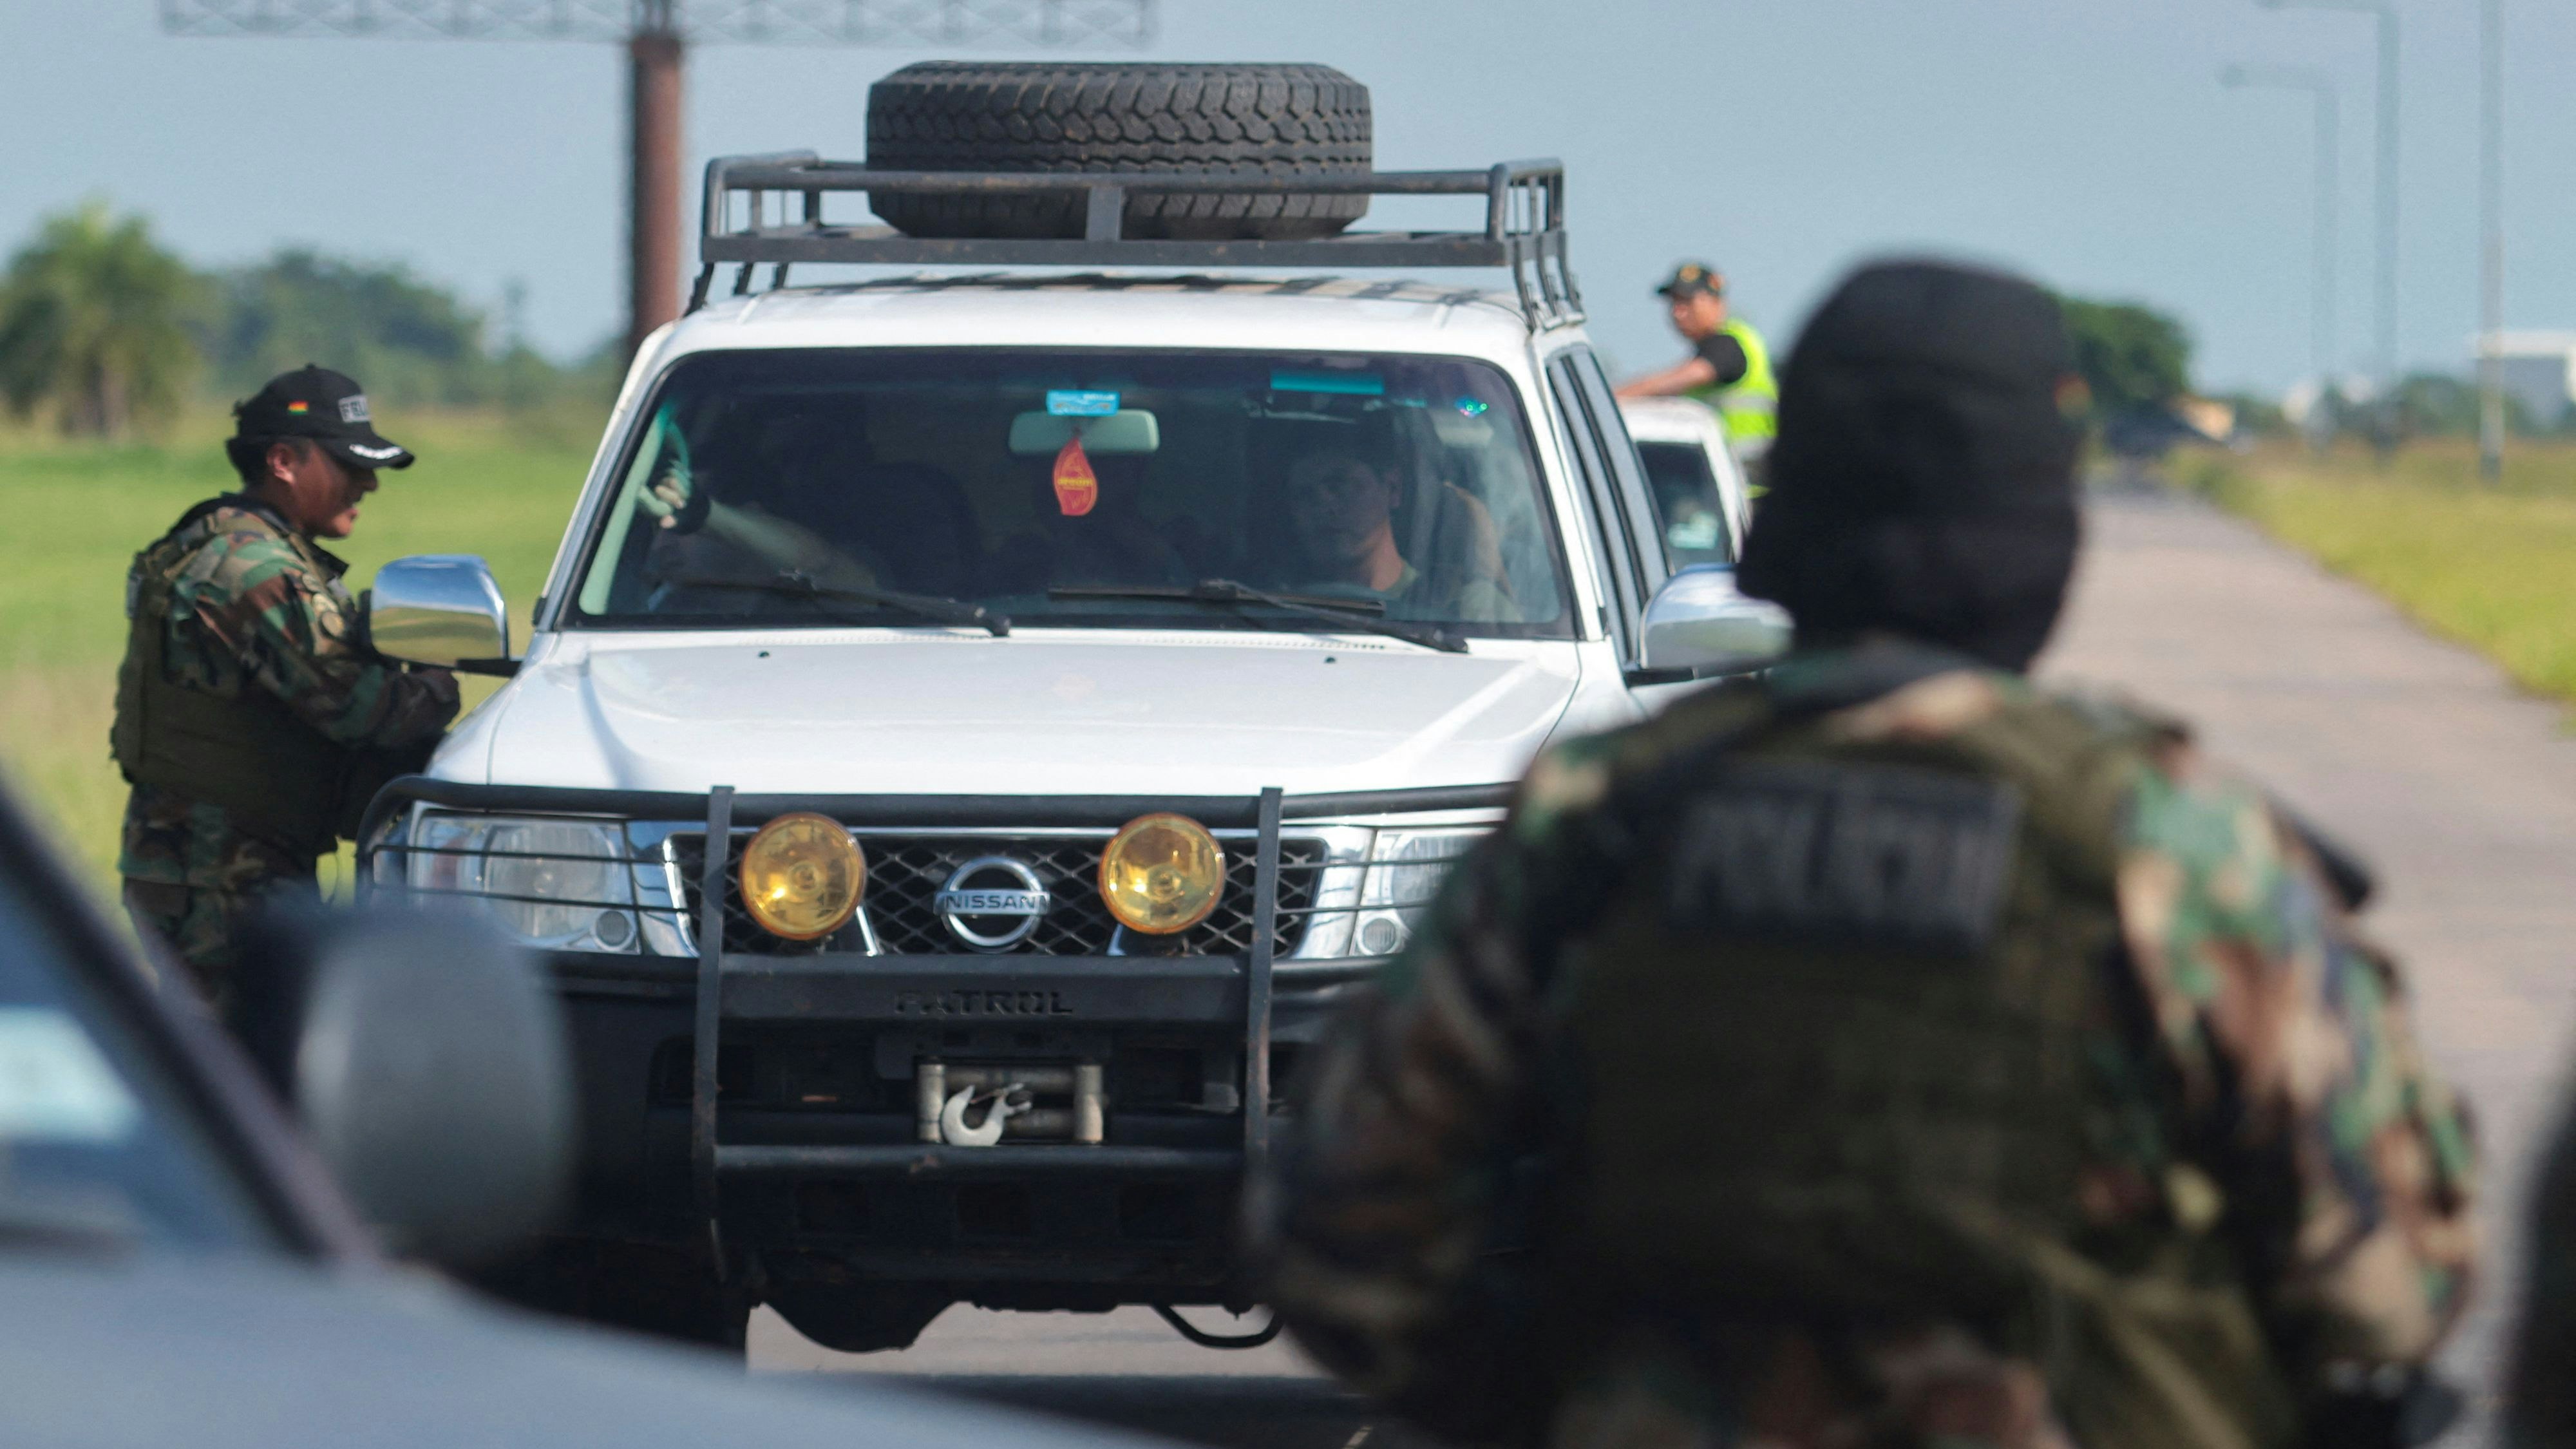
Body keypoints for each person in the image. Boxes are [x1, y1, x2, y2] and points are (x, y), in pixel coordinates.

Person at [1258, 261, 2476, 1449]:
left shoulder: (1600, 818)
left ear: (1787, 516)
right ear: (2042, 531)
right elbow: (2390, 1285)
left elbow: (1341, 1225)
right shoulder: (2169, 844)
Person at [112, 366, 460, 1014]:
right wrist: (438, 688)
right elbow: (362, 710)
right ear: (283, 462)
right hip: (222, 877)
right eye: (349, 463)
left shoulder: (230, 543)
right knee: (237, 1079)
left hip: (211, 866)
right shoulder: (255, 568)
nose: (368, 482)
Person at [1283, 442, 1516, 623]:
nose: (1325, 507)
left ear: (1393, 489)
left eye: (1341, 485)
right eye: (1304, 495)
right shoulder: (1266, 606)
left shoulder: (1468, 607)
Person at [1615, 261, 1780, 468]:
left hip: (1749, 489)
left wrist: (1611, 399)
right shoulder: (1725, 345)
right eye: (1674, 303)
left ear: (1716, 302)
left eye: (1687, 302)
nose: (1678, 313)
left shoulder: (1727, 345)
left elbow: (1680, 379)